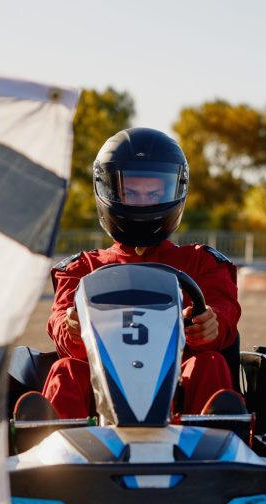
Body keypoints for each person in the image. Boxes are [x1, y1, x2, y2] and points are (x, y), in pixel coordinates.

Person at [40, 127, 244, 420]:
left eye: (154, 194)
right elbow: (59, 321)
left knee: (208, 364)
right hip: (101, 394)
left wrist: (210, 324)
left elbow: (225, 310)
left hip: (177, 395)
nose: (144, 204)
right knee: (66, 369)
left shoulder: (202, 262)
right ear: (108, 191)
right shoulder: (81, 268)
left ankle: (217, 447)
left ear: (175, 190)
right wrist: (72, 328)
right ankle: (56, 453)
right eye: (132, 193)